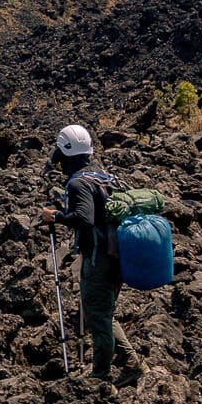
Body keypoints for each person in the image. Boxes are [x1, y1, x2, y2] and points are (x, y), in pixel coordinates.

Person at [42, 124, 130, 381]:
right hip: (118, 254)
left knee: (97, 317)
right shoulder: (104, 176)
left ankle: (100, 377)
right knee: (102, 313)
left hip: (98, 259)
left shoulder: (78, 183)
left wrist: (55, 216)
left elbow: (84, 218)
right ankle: (131, 362)